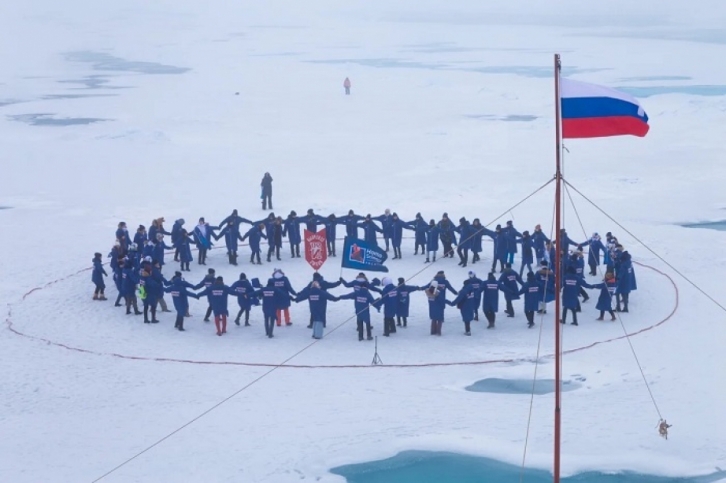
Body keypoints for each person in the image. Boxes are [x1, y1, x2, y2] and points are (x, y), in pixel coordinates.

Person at [426, 271, 457, 335]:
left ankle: (432, 331)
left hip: (432, 306)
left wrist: (418, 288)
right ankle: (438, 332)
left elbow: (426, 287)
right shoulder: (444, 282)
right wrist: (455, 295)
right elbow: (450, 289)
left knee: (433, 319)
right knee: (440, 319)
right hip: (440, 304)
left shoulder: (429, 292)